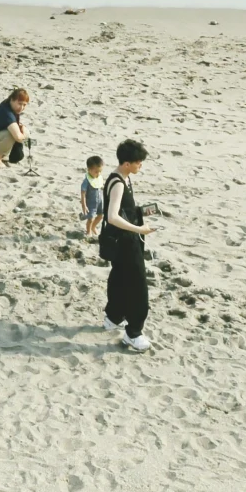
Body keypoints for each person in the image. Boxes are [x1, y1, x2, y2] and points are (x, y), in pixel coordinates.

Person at [100, 139, 152, 351]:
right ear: (127, 163)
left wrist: (141, 213)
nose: (141, 166)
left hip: (120, 240)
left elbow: (123, 210)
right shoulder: (119, 183)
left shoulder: (121, 177)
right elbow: (112, 216)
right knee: (138, 285)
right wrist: (140, 230)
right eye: (138, 162)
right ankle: (133, 333)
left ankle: (113, 317)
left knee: (119, 278)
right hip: (125, 241)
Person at [80, 155, 105, 238]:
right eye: (96, 172)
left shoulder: (98, 178)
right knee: (90, 218)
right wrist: (84, 205)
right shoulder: (86, 180)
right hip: (91, 202)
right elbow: (83, 192)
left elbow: (101, 188)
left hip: (100, 201)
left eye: (100, 171)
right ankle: (88, 231)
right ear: (89, 170)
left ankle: (93, 226)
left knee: (100, 216)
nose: (98, 174)